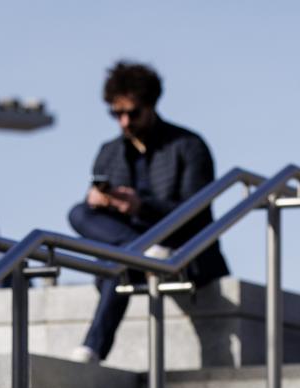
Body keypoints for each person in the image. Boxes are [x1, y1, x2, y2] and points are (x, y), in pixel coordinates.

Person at [66, 61, 231, 366]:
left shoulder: (188, 146)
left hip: (178, 245)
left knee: (119, 262)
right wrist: (100, 200)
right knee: (78, 213)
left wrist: (142, 205)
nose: (125, 121)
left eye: (132, 112)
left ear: (151, 106)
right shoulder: (110, 151)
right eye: (117, 114)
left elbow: (196, 212)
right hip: (136, 246)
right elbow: (90, 217)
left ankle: (92, 348)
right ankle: (140, 252)